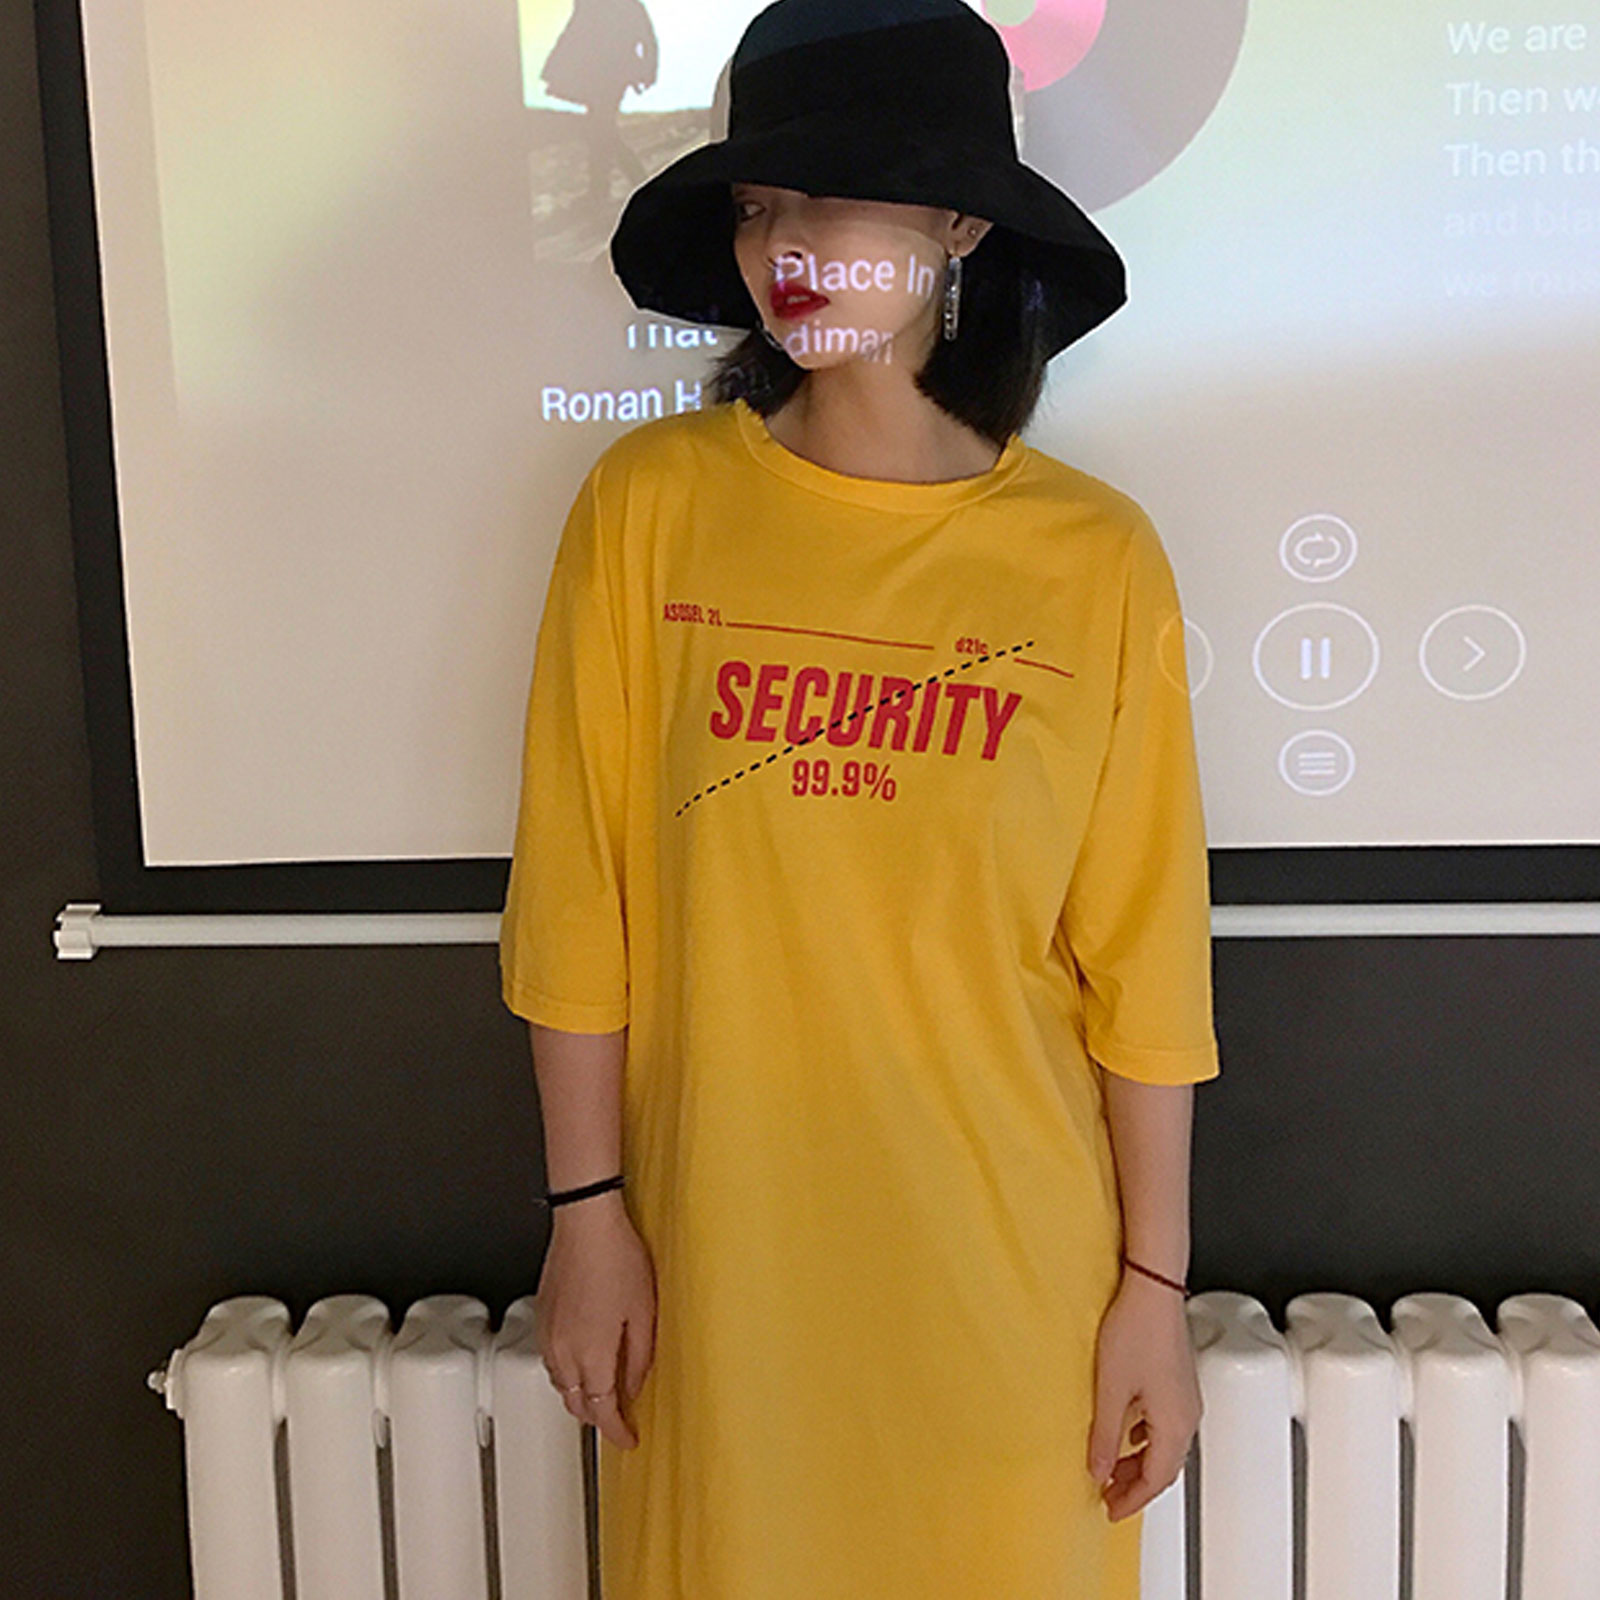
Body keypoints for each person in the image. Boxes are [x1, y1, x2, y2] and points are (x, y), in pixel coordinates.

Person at [499, 0, 1222, 1594]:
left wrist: (1153, 1293)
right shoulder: (649, 508)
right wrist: (586, 1213)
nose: (787, 246)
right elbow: (574, 903)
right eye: (761, 204)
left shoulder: (1094, 558)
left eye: (836, 199)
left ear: (962, 224)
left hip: (1010, 1276)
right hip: (720, 1267)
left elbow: (1146, 964)